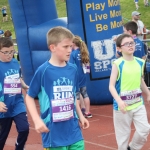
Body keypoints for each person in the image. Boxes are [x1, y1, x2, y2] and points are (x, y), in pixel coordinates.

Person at [25, 26, 89, 150]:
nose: (69, 50)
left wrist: (81, 116)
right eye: (65, 47)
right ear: (52, 47)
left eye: (71, 46)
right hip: (53, 135)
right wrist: (37, 120)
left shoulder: (73, 69)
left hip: (74, 131)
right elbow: (29, 96)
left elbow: (73, 96)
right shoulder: (43, 71)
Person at [109, 34, 150, 150]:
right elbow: (111, 86)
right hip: (122, 107)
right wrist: (119, 101)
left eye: (131, 43)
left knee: (144, 129)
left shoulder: (140, 62)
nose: (130, 45)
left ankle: (132, 148)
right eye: (126, 44)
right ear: (119, 48)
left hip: (138, 103)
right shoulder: (117, 64)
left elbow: (140, 80)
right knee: (122, 138)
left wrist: (148, 94)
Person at [0, 37, 29, 150]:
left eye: (12, 51)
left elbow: (18, 77)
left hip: (17, 103)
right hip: (3, 107)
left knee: (24, 128)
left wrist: (25, 86)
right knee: (2, 138)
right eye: (5, 52)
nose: (9, 55)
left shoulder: (14, 62)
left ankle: (19, 148)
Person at [69, 35, 92, 118]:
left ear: (74, 43)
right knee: (85, 94)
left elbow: (70, 65)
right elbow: (87, 65)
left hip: (76, 76)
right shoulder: (83, 52)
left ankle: (78, 114)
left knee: (77, 95)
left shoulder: (73, 54)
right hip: (83, 76)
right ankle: (87, 112)